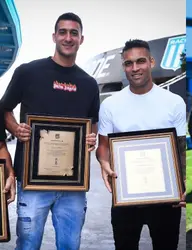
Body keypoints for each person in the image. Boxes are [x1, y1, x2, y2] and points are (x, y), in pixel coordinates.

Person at [0, 13, 99, 250]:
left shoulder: (89, 83)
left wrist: (91, 138)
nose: (68, 37)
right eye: (63, 32)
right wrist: (16, 128)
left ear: (81, 39)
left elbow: (93, 122)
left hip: (73, 187)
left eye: (73, 33)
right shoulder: (28, 72)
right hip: (33, 185)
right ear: (54, 36)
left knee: (69, 246)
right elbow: (3, 109)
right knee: (28, 246)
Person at [96, 39, 186, 250]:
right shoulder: (110, 105)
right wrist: (103, 162)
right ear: (123, 66)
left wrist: (184, 184)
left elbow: (181, 147)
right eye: (129, 63)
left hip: (166, 198)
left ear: (151, 62)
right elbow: (103, 146)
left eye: (140, 61)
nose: (135, 68)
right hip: (125, 196)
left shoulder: (173, 102)